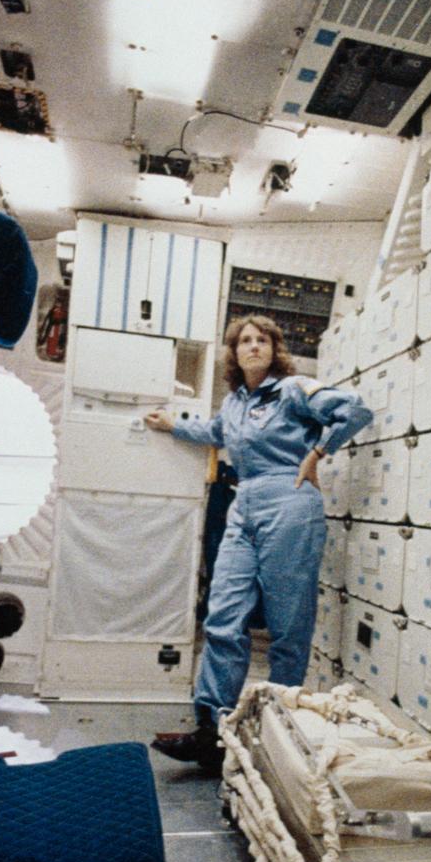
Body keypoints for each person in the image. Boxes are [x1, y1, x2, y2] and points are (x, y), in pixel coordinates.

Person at [144, 314, 372, 771]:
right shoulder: (233, 404)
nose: (253, 347)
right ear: (234, 352)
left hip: (289, 501)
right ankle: (213, 729)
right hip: (243, 503)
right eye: (244, 341)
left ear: (274, 348)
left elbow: (355, 410)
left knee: (288, 622)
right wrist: (173, 424)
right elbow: (215, 433)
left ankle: (276, 728)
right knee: (223, 615)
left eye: (261, 340)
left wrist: (316, 454)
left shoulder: (291, 389)